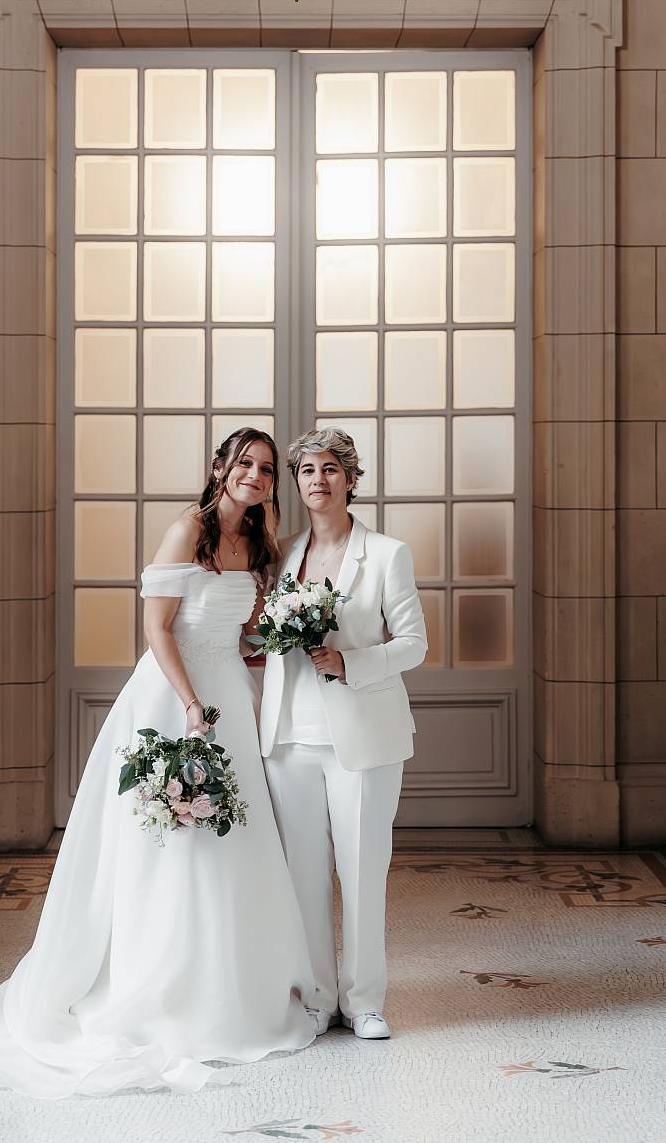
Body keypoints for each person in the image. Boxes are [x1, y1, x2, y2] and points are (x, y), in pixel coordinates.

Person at [0, 428, 315, 1097]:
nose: (257, 477)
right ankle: (160, 990)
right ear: (219, 468)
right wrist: (190, 705)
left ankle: (231, 990)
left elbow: (246, 632)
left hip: (231, 694)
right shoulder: (188, 531)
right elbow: (156, 628)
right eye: (246, 464)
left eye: (266, 470)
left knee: (232, 845)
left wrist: (292, 628)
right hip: (174, 698)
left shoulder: (260, 544)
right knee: (169, 845)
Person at [260, 427, 427, 1041]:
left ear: (351, 479)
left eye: (330, 469)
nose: (318, 481)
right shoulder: (281, 554)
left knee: (362, 873)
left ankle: (363, 1001)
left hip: (364, 737)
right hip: (289, 737)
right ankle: (316, 997)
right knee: (303, 875)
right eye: (307, 471)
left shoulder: (387, 554)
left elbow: (414, 644)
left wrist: (350, 662)